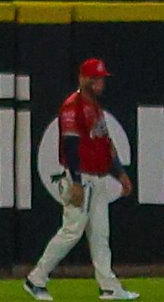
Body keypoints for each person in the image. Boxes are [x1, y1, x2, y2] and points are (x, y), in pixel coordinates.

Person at [24, 58, 139, 301]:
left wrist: (120, 174)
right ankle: (36, 279)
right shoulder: (72, 106)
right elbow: (71, 145)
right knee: (72, 231)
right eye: (95, 78)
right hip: (82, 178)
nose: (100, 83)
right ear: (83, 78)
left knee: (100, 235)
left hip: (97, 178)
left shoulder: (95, 107)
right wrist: (75, 181)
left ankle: (109, 287)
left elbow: (106, 145)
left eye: (101, 79)